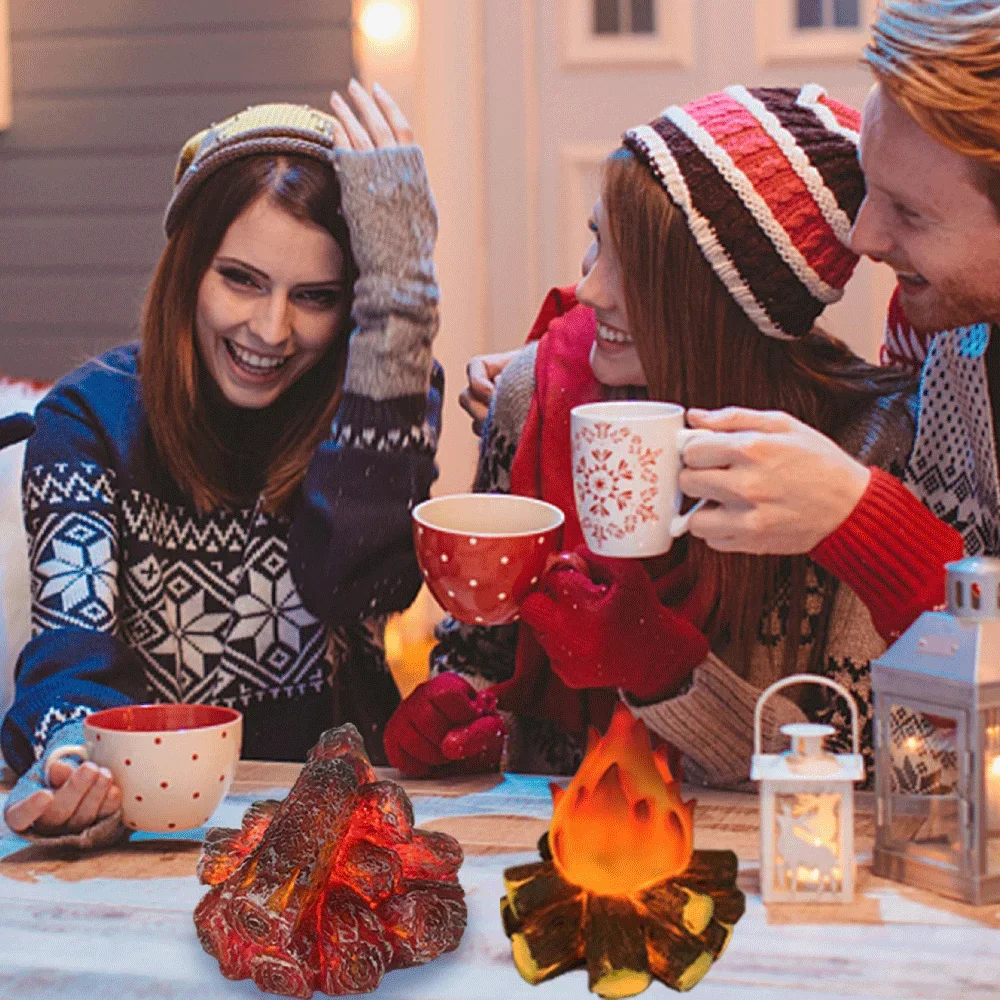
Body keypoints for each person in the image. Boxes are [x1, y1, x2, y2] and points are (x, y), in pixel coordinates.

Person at [383, 84, 917, 784]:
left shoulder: (862, 453)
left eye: (636, 270)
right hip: (553, 849)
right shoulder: (534, 393)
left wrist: (671, 675)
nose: (593, 291)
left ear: (726, 309)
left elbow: (864, 774)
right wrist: (459, 723)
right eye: (597, 241)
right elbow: (484, 660)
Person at [2, 82, 442, 848]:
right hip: (146, 827)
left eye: (316, 295)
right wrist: (75, 765)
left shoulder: (382, 395)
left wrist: (401, 300)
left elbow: (360, 583)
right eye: (240, 279)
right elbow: (72, 648)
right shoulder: (90, 420)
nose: (271, 330)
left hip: (337, 827)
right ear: (187, 268)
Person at [656, 0, 1000, 645]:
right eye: (869, 188)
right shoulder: (945, 327)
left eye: (911, 213)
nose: (865, 237)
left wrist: (864, 524)